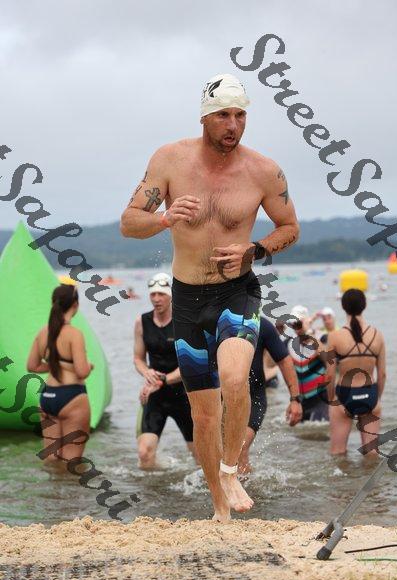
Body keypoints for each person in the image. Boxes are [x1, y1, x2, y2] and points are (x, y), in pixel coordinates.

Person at [121, 73, 299, 521]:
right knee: (203, 416)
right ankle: (220, 508)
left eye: (240, 115)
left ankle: (231, 468)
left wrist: (254, 249)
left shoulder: (263, 171)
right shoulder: (169, 160)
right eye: (223, 115)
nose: (233, 124)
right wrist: (164, 219)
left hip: (237, 290)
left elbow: (290, 227)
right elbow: (128, 223)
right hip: (187, 299)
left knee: (236, 379)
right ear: (204, 116)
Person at [133, 273, 195, 468]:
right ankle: (155, 485)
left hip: (184, 396)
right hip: (155, 396)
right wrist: (146, 372)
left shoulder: (184, 321)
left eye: (161, 294)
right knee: (144, 454)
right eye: (153, 294)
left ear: (171, 295)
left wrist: (162, 380)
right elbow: (138, 358)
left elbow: (191, 364)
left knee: (201, 458)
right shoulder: (141, 322)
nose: (156, 299)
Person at [26, 284, 93, 462]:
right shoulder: (74, 334)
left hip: (47, 396)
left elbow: (32, 366)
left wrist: (54, 364)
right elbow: (82, 372)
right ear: (75, 304)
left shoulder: (43, 332)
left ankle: (52, 482)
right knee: (71, 462)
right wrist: (89, 366)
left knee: (51, 460)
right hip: (72, 397)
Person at [238, 317, 302, 473]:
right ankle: (240, 483)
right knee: (224, 453)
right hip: (221, 399)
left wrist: (295, 399)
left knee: (240, 448)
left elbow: (284, 361)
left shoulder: (260, 324)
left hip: (254, 398)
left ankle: (242, 487)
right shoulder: (215, 321)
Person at [326, 289, 386, 455]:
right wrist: (376, 399)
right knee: (372, 454)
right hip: (370, 394)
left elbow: (329, 375)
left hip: (344, 395)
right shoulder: (378, 335)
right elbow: (382, 374)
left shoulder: (335, 336)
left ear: (343, 307)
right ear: (364, 306)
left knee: (338, 453)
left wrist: (331, 400)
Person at [285, 306, 329, 422]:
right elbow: (270, 363)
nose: (297, 327)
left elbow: (329, 360)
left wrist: (309, 333)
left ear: (307, 321)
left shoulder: (322, 338)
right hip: (301, 402)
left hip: (321, 399)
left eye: (300, 322)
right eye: (294, 324)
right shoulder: (289, 343)